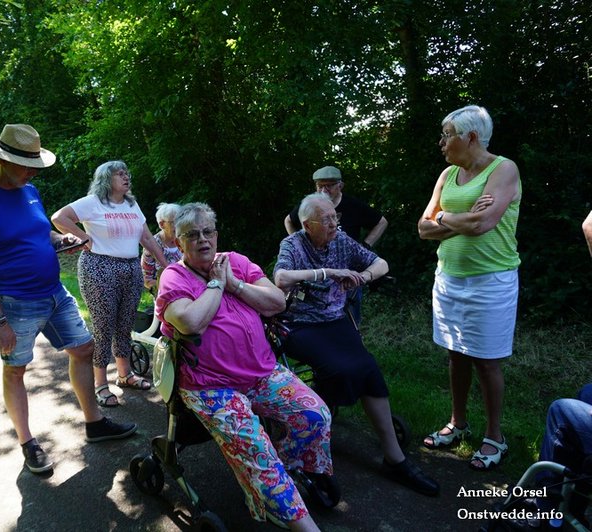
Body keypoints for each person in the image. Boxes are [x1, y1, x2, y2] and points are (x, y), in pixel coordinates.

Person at [0, 124, 137, 474]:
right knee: (15, 370)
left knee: (84, 348)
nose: (33, 172)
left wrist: (62, 241)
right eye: (27, 166)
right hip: (15, 304)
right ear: (3, 160)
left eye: (35, 166)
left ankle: (94, 423)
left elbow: (43, 234)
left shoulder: (29, 190)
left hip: (54, 293)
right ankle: (28, 443)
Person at [156, 202, 335, 531]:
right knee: (257, 452)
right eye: (192, 235)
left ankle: (275, 473)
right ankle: (291, 509)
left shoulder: (235, 262)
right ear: (179, 243)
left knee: (316, 416)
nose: (202, 239)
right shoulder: (174, 276)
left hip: (262, 373)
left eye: (208, 232)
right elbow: (190, 322)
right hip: (211, 386)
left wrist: (234, 284)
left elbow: (276, 302)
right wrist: (216, 285)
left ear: (216, 234)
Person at [274, 193, 439, 497]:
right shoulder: (293, 244)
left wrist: (363, 276)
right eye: (326, 219)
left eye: (335, 217)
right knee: (338, 369)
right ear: (308, 225)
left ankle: (395, 459)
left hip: (336, 320)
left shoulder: (341, 240)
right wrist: (328, 272)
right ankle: (314, 429)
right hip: (300, 325)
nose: (334, 223)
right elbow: (281, 278)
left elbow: (381, 263)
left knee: (368, 368)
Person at [417, 105, 522, 471]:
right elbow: (423, 228)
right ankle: (458, 423)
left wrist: (445, 217)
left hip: (490, 281)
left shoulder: (503, 169)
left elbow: (483, 225)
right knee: (456, 355)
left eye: (447, 135)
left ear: (471, 137)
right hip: (448, 278)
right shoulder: (448, 174)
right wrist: (460, 217)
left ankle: (495, 436)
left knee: (487, 361)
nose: (442, 142)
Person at [52, 161, 168, 408]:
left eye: (127, 173)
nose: (126, 177)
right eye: (120, 174)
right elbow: (59, 217)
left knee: (125, 324)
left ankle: (125, 375)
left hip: (130, 268)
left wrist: (166, 265)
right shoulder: (93, 202)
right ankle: (100, 384)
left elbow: (147, 237)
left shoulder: (131, 204)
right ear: (106, 179)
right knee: (104, 327)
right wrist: (82, 237)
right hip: (99, 267)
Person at [284, 166, 388, 326]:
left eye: (329, 185)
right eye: (320, 186)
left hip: (347, 276)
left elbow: (381, 222)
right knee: (312, 320)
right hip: (315, 277)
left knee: (350, 320)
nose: (324, 190)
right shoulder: (311, 205)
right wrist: (300, 245)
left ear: (340, 185)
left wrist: (366, 245)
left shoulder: (353, 206)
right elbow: (289, 220)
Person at [141, 202, 182, 290]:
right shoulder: (151, 246)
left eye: (181, 221)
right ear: (162, 224)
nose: (179, 225)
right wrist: (173, 286)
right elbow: (147, 281)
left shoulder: (186, 239)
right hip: (166, 292)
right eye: (174, 222)